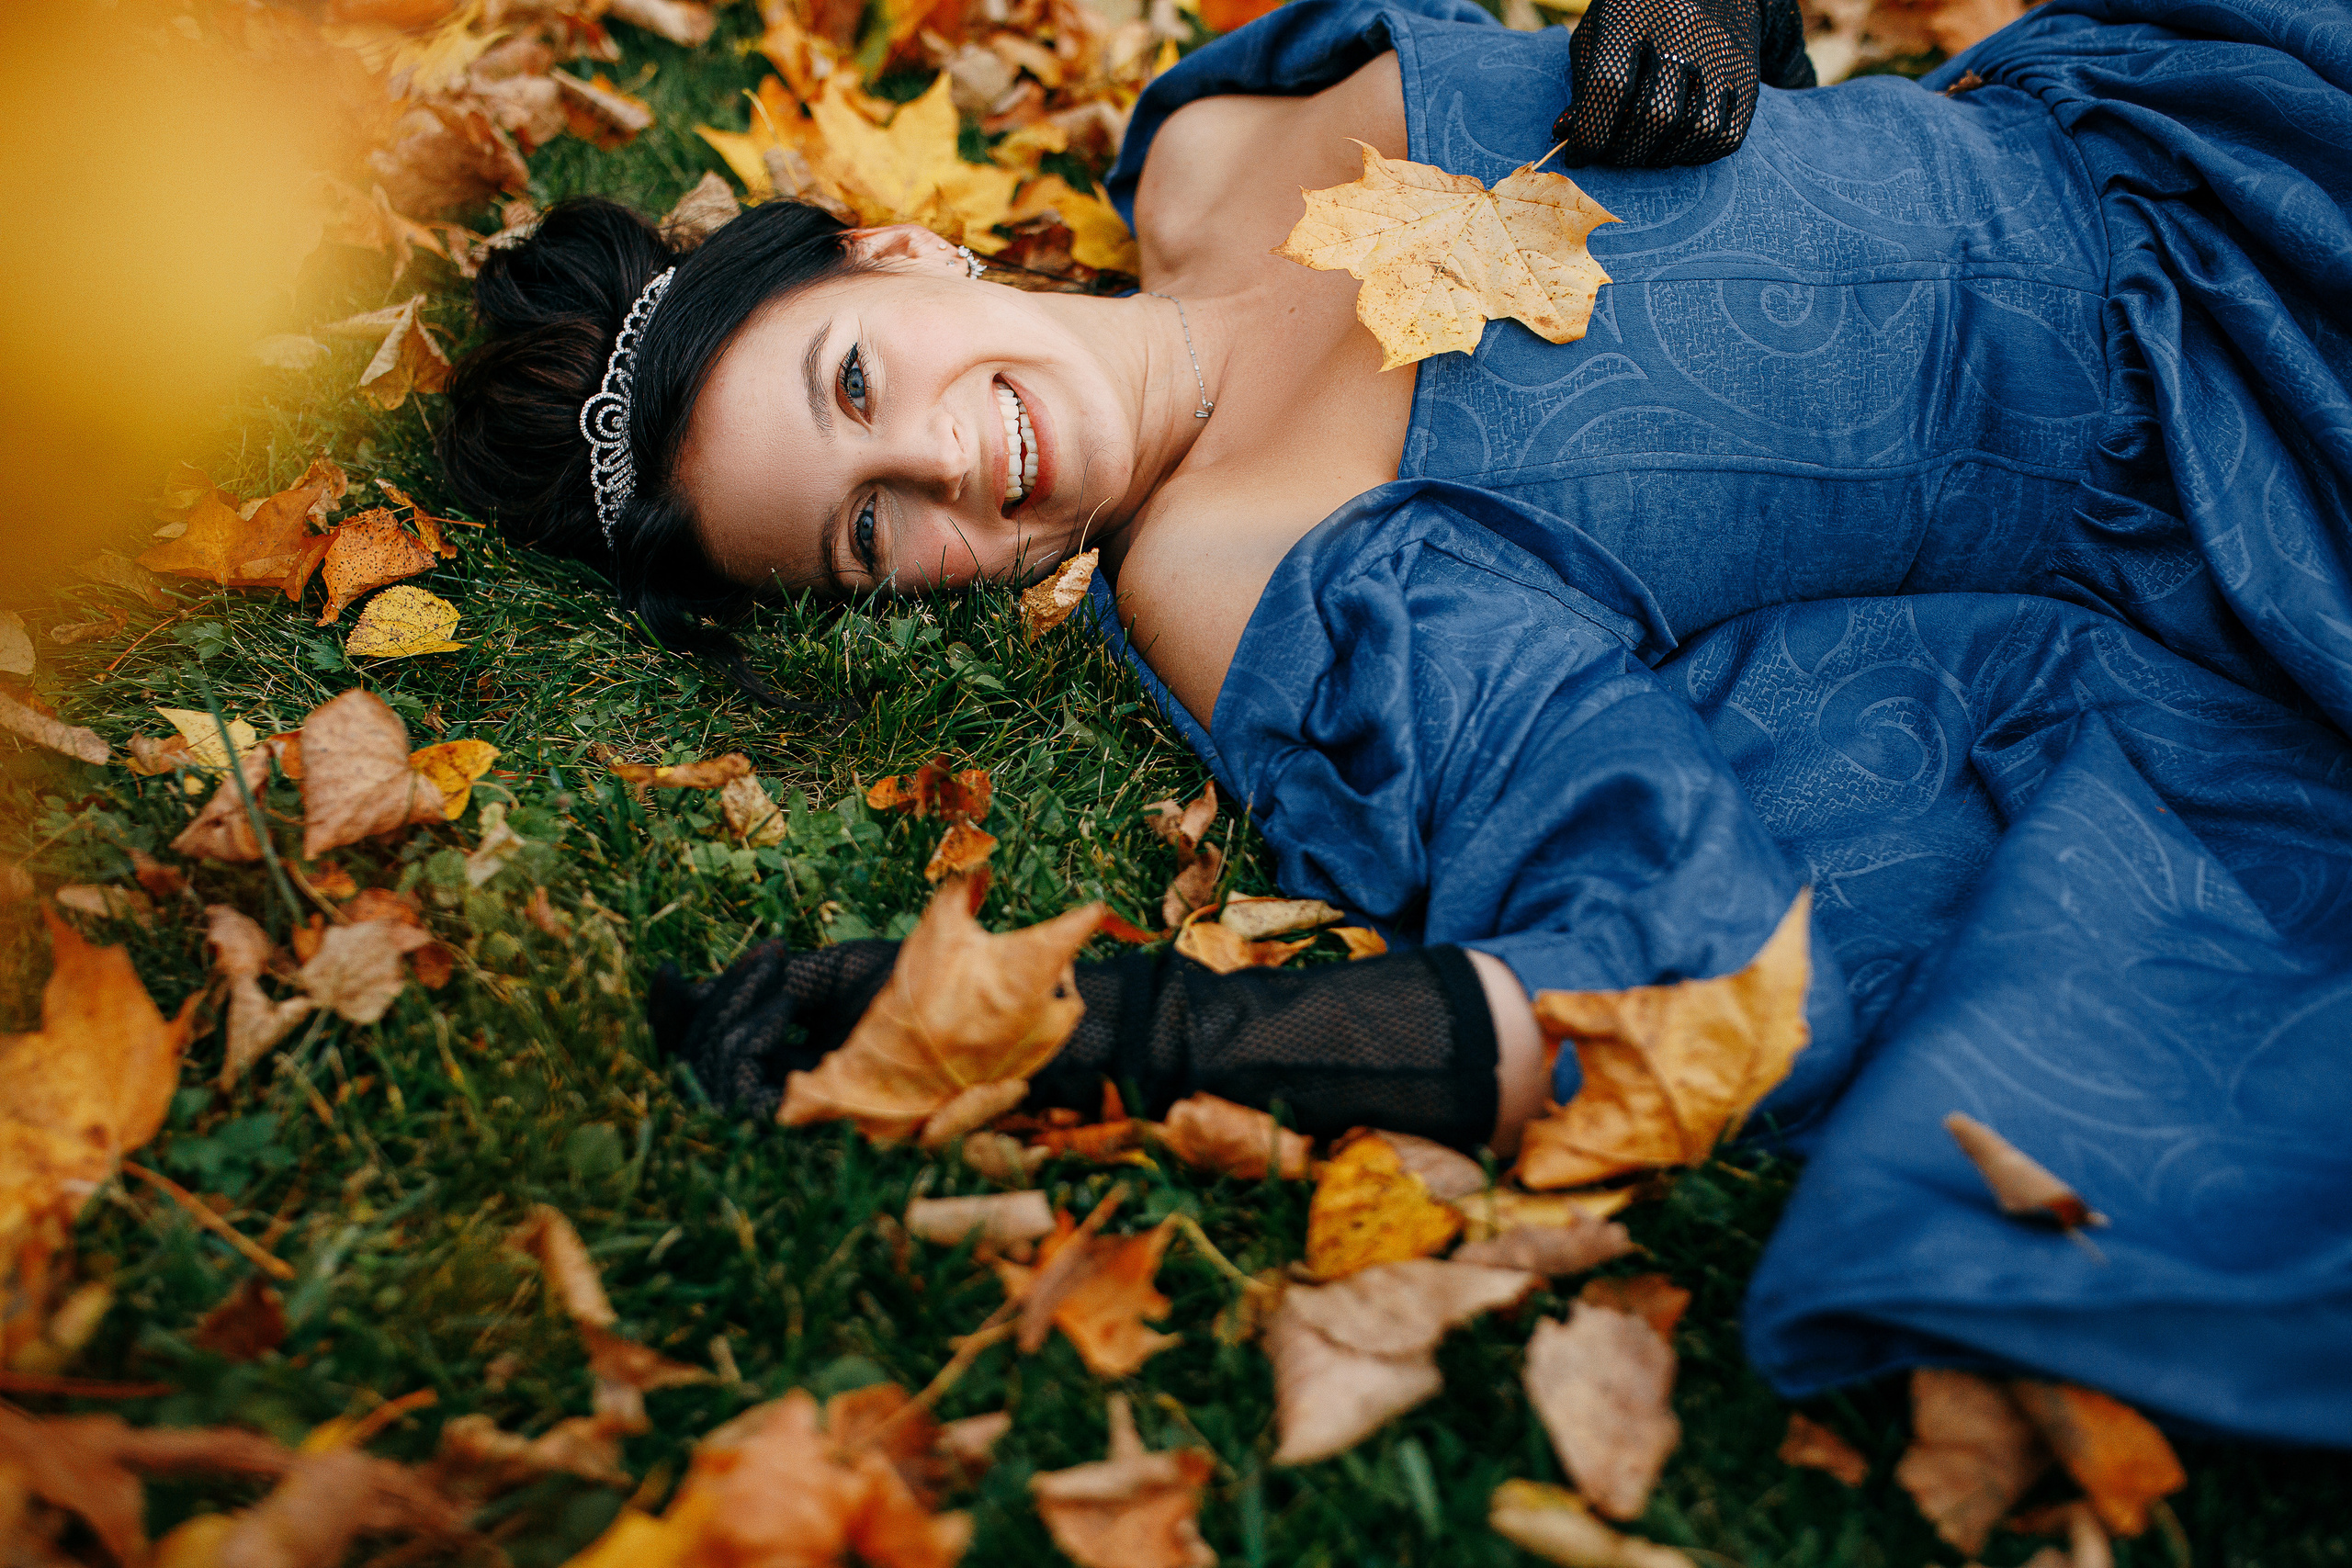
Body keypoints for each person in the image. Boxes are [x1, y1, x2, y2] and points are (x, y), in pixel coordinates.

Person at [441, 0, 2352, 1445]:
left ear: (897, 253)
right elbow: (1663, 954)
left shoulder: (1216, 124)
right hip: (2235, 485)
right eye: (870, 537)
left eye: (860, 385)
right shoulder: (1240, 573)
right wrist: (1120, 1025)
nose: (947, 463)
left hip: (2212, 148)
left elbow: (1737, 78)